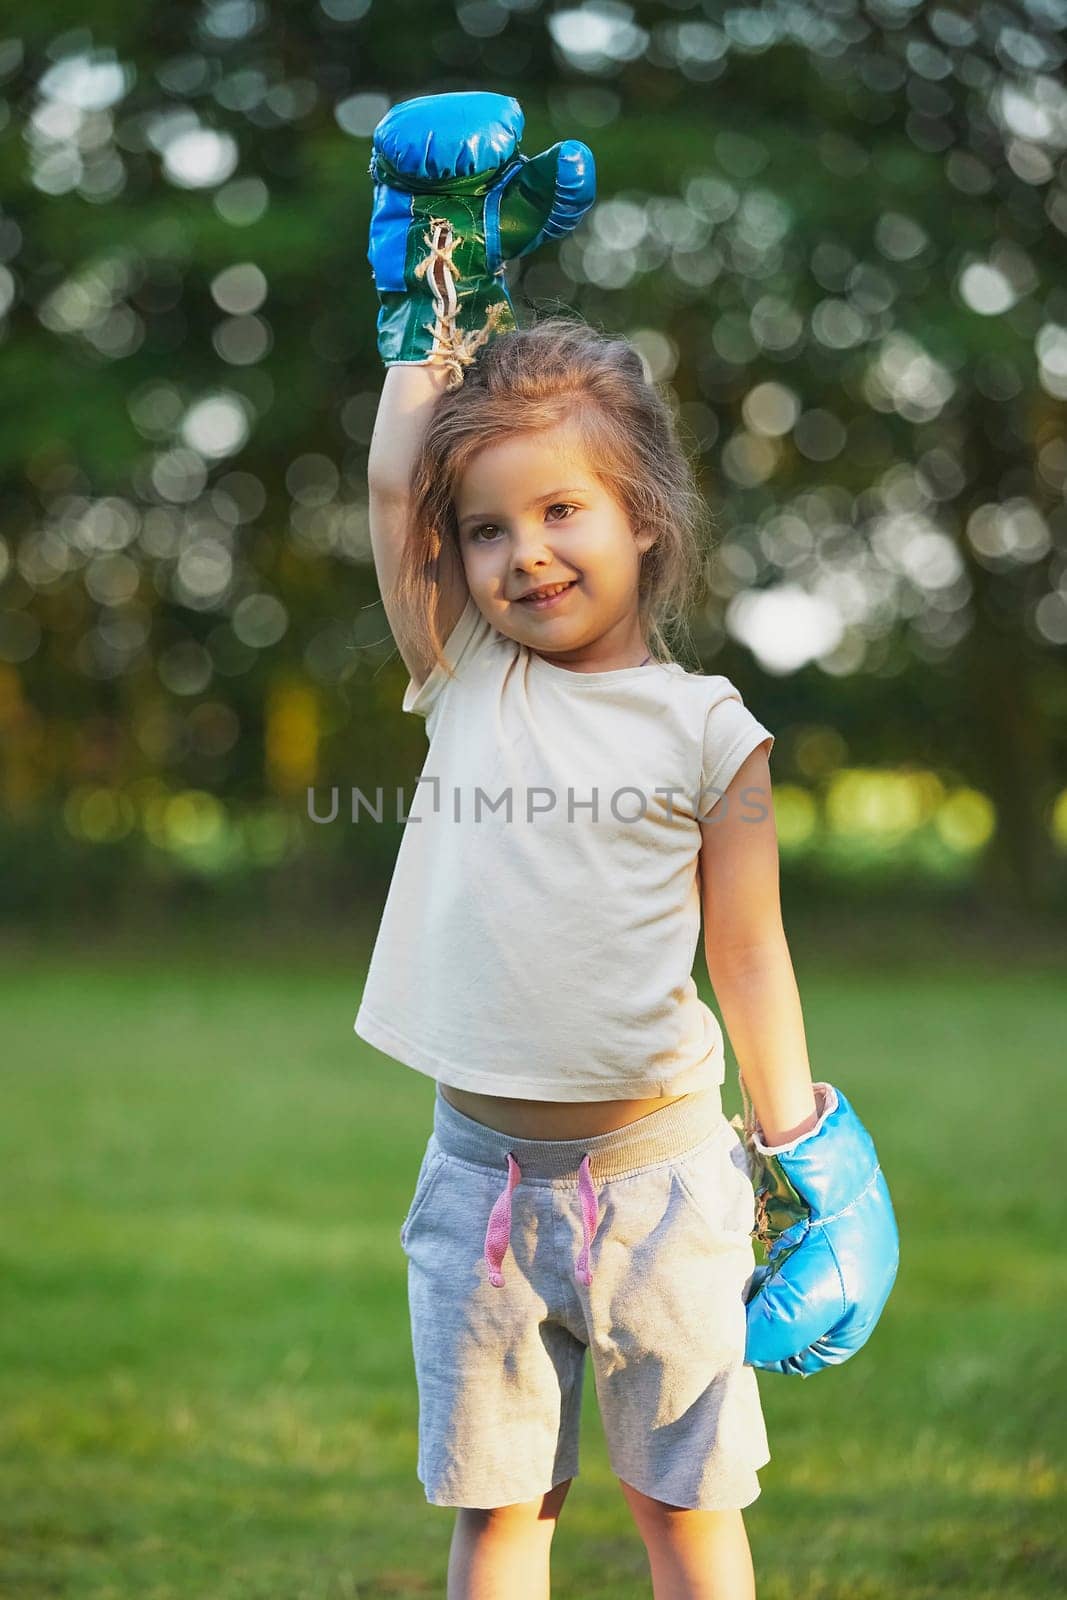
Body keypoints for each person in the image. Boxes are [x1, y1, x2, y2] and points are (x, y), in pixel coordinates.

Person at [355, 92, 848, 1600]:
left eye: (561, 510)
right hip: (481, 1188)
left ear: (643, 518)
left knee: (685, 1513)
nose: (523, 555)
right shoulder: (464, 673)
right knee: (506, 1516)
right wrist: (418, 325)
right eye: (489, 529)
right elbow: (394, 487)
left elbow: (749, 953)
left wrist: (805, 1150)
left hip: (665, 1184)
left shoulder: (710, 730)